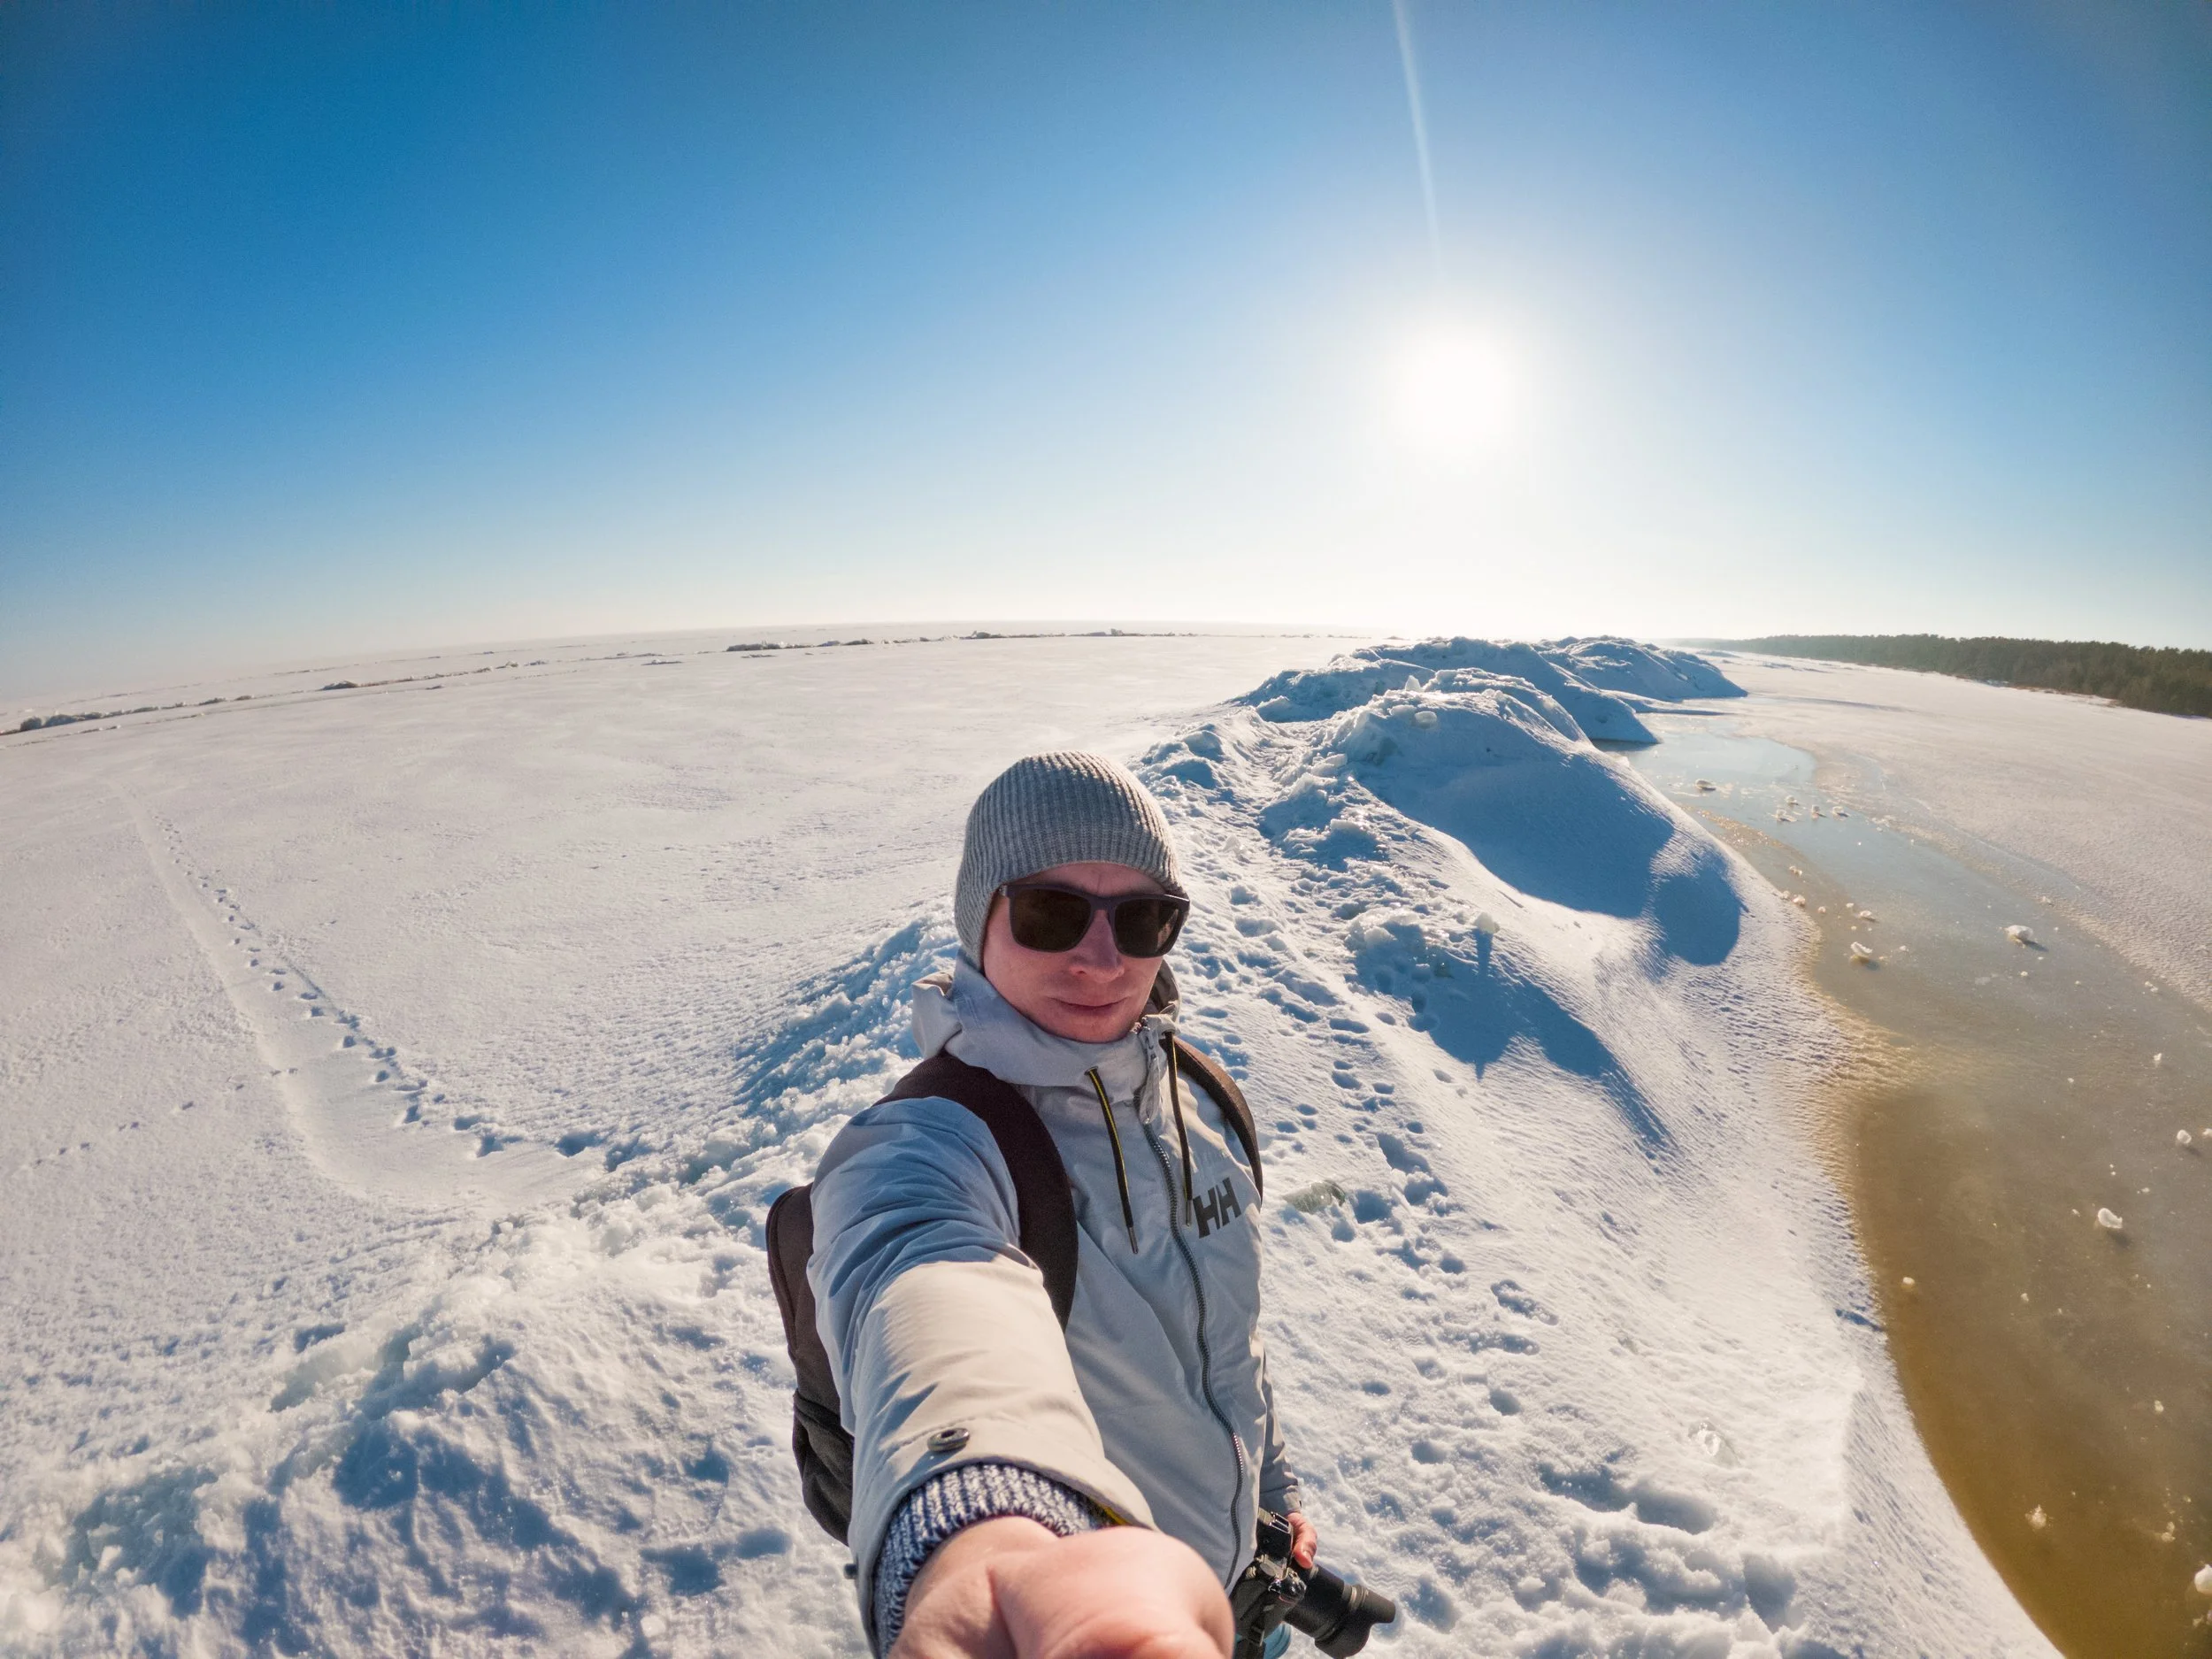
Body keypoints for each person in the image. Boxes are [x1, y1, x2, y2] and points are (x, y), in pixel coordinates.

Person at [808, 751, 1316, 1658]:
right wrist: (983, 1525)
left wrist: (1274, 1498)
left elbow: (1231, 1345)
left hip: (1241, 1597)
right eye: (1052, 912)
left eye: (1144, 918)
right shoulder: (930, 1144)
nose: (1103, 958)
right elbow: (924, 1288)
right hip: (1087, 1619)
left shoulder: (1199, 1100)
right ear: (979, 920)